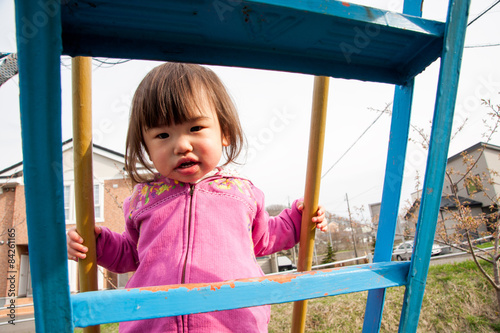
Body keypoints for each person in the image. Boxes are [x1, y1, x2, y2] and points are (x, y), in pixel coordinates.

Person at [67, 62, 326, 332]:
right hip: (154, 323)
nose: (181, 145)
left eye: (195, 128)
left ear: (224, 132)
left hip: (231, 322)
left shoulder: (241, 193)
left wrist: (299, 218)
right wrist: (97, 243)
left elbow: (265, 237)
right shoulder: (143, 199)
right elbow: (131, 253)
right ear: (146, 146)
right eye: (163, 135)